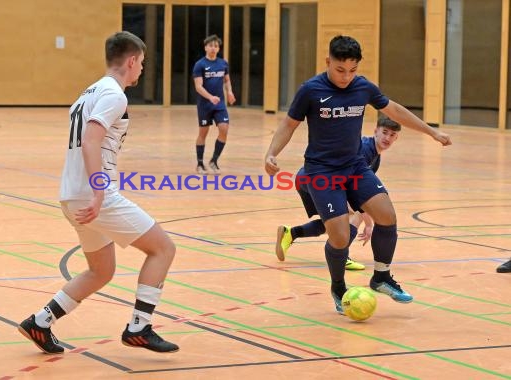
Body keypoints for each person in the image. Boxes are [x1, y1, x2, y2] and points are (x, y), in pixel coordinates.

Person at [264, 35, 451, 314]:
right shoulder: (311, 90)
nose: (346, 77)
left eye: (352, 70)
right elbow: (289, 125)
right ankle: (338, 287)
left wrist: (432, 132)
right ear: (328, 61)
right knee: (339, 237)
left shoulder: (363, 87)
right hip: (322, 171)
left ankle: (381, 277)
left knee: (387, 214)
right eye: (340, 70)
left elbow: (395, 111)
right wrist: (271, 153)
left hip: (354, 166)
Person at [18, 31, 179, 354]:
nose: (142, 69)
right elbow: (91, 140)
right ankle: (139, 327)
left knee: (101, 270)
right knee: (163, 248)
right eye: (142, 63)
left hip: (71, 193)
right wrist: (100, 193)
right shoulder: (114, 94)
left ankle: (40, 322)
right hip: (92, 194)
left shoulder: (88, 92)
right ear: (131, 61)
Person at [276, 116, 403, 272]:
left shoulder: (374, 156)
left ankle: (291, 233)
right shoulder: (364, 149)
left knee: (337, 223)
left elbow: (360, 191)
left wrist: (368, 223)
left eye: (392, 135)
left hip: (312, 179)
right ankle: (342, 257)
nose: (387, 138)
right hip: (315, 179)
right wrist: (369, 224)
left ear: (396, 138)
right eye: (385, 132)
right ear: (376, 131)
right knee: (352, 216)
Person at [193, 34, 236, 175]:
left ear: (218, 49)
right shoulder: (200, 65)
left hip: (219, 104)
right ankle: (200, 164)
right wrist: (210, 97)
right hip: (205, 104)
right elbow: (198, 86)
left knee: (224, 129)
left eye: (216, 46)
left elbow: (227, 80)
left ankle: (214, 161)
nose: (213, 48)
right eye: (210, 45)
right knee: (203, 133)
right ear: (206, 47)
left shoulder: (223, 64)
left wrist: (229, 92)